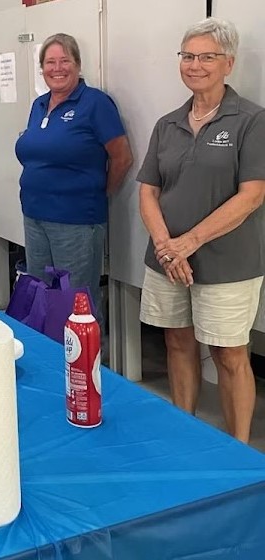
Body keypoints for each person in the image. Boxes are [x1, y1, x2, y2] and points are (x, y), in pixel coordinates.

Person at [138, 18, 265, 443]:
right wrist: (166, 248)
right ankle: (186, 435)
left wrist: (188, 243)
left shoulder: (251, 120)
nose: (195, 65)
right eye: (188, 56)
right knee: (177, 344)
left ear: (228, 63)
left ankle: (239, 453)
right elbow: (148, 192)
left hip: (227, 263)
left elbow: (251, 196)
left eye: (207, 56)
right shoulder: (167, 124)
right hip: (167, 260)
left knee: (229, 355)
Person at [15, 33, 133, 321]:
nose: (57, 68)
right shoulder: (39, 105)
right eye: (50, 62)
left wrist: (98, 193)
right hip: (34, 215)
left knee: (76, 304)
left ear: (78, 65)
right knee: (41, 297)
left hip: (76, 221)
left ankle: (86, 365)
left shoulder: (95, 103)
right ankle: (51, 363)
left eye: (65, 61)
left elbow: (122, 157)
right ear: (42, 68)